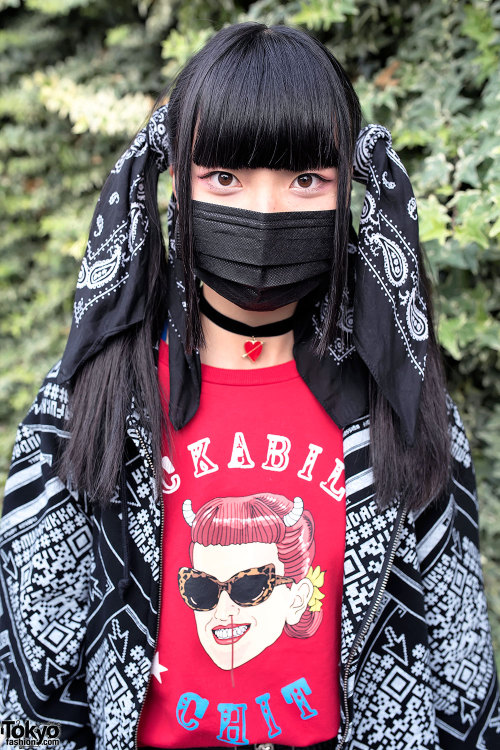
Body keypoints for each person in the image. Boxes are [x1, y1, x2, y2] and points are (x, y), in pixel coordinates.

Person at [0, 20, 498, 750]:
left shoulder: (401, 403)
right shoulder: (92, 403)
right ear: (176, 181)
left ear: (347, 194)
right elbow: (27, 677)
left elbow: (460, 663)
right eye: (225, 176)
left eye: (305, 180)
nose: (265, 214)